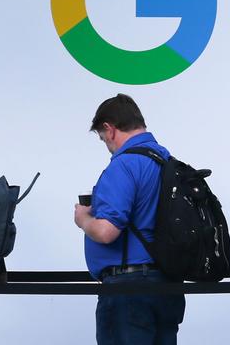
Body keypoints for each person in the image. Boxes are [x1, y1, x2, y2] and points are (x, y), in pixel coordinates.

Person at [74, 94, 186, 345]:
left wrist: (83, 219)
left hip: (128, 290)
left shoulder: (123, 166)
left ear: (109, 129)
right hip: (167, 286)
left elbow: (106, 231)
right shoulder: (166, 160)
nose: (107, 145)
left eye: (103, 139)